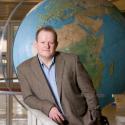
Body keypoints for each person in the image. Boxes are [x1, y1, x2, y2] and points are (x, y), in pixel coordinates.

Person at [17, 26, 101, 125]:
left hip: (82, 120)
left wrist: (94, 116)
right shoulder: (23, 69)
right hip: (52, 122)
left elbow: (89, 91)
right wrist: (48, 107)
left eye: (51, 43)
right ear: (36, 44)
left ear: (56, 44)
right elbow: (28, 97)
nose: (46, 46)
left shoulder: (72, 61)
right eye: (43, 42)